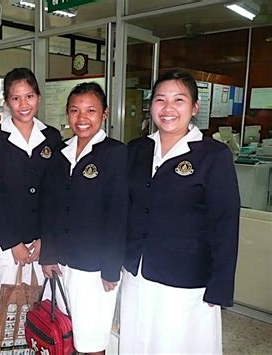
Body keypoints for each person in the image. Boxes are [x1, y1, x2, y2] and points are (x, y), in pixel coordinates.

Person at [120, 70, 240, 354]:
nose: (168, 108)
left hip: (185, 276)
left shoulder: (212, 155)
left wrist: (221, 284)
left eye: (179, 99)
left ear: (194, 107)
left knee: (176, 343)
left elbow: (225, 222)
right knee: (138, 339)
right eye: (160, 100)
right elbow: (125, 207)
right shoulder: (137, 149)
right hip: (137, 272)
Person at [39, 82, 128, 355]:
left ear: (105, 113)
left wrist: (111, 267)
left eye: (90, 110)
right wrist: (48, 255)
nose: (81, 118)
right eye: (75, 110)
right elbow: (50, 206)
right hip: (63, 260)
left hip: (94, 266)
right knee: (64, 330)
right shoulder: (60, 152)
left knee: (92, 338)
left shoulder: (115, 153)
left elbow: (119, 212)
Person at [0, 67, 61, 308]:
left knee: (40, 312)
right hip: (4, 242)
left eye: (29, 96)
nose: (23, 104)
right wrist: (14, 242)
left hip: (40, 243)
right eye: (16, 98)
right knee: (6, 312)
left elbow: (54, 194)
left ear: (38, 97)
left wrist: (45, 239)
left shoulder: (52, 137)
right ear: (7, 101)